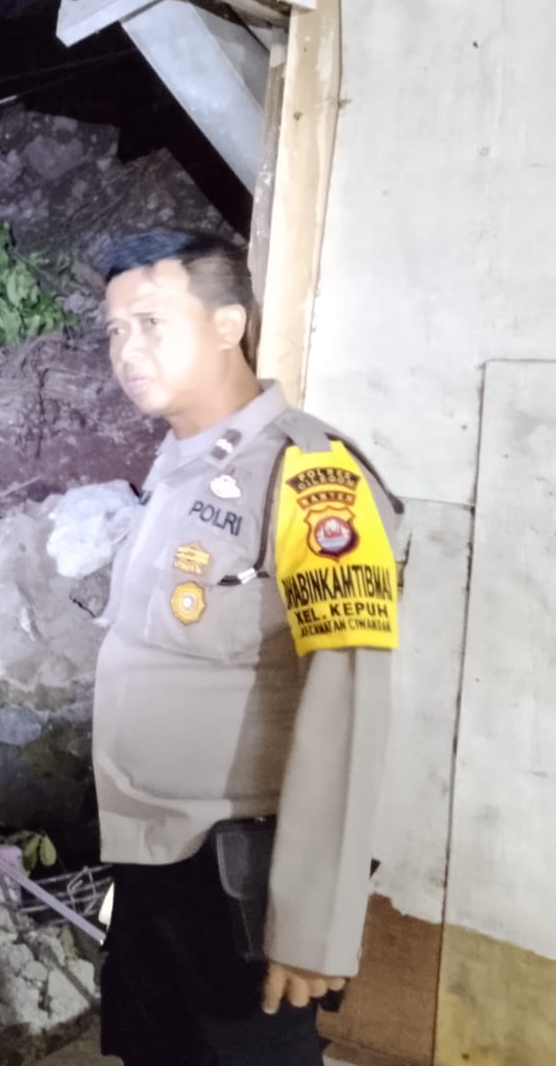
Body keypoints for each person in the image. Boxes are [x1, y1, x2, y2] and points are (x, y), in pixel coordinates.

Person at [91, 229, 402, 1066]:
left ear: (228, 325)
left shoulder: (310, 476)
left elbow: (346, 705)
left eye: (152, 323)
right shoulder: (176, 471)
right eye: (115, 330)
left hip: (237, 879)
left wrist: (312, 924)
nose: (127, 350)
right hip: (148, 856)